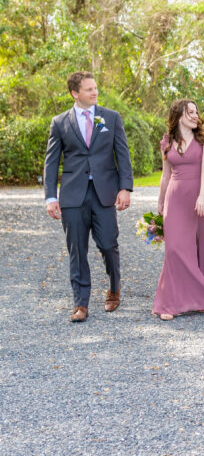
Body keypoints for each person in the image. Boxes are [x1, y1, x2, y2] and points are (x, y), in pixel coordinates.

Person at [43, 71, 133, 322]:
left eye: (95, 88)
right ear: (75, 93)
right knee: (77, 250)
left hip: (105, 193)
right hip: (73, 195)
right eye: (89, 89)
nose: (95, 92)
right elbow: (51, 163)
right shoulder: (60, 122)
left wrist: (125, 188)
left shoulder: (111, 118)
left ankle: (114, 289)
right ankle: (80, 303)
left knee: (108, 244)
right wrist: (50, 197)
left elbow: (122, 155)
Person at [153, 100, 204, 320]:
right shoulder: (167, 141)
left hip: (201, 195)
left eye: (196, 111)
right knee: (175, 248)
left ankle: (199, 296)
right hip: (175, 197)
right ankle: (170, 303)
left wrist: (201, 196)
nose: (194, 115)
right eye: (190, 112)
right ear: (178, 115)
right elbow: (165, 174)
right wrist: (161, 202)